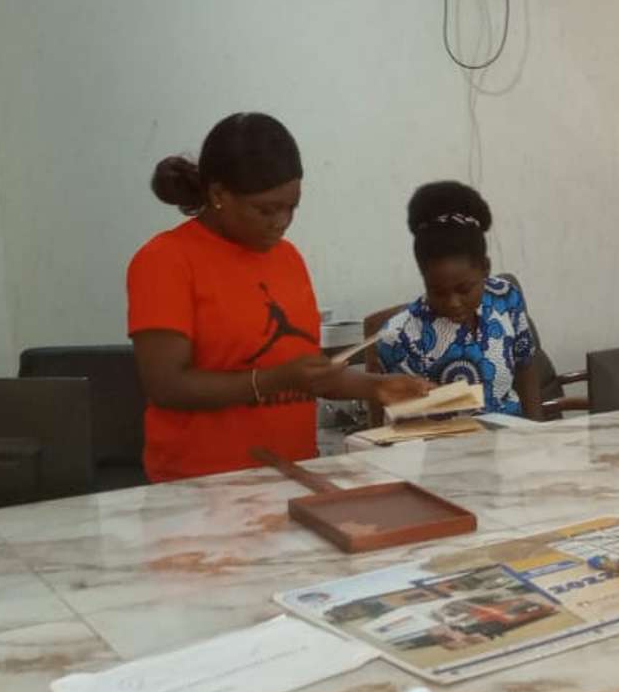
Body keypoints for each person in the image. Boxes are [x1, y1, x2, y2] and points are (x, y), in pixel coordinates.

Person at [127, 112, 428, 482]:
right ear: (218, 194)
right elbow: (167, 386)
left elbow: (307, 373)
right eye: (266, 209)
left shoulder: (288, 259)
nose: (281, 221)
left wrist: (380, 386)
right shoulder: (166, 260)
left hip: (291, 473)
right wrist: (274, 380)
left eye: (292, 207)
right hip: (200, 483)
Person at [375, 181, 544, 420]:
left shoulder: (505, 297)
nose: (453, 302)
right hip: (444, 452)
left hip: (517, 441)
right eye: (438, 292)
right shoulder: (400, 336)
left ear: (485, 268)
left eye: (464, 289)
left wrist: (538, 431)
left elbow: (525, 363)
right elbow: (406, 428)